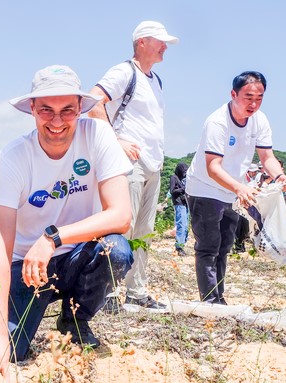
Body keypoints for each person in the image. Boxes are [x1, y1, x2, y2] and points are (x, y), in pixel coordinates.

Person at [0, 64, 134, 379]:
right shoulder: (13, 158)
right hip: (29, 268)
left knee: (115, 250)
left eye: (68, 110)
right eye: (46, 110)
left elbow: (121, 215)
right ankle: (2, 314)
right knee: (4, 351)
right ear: (32, 109)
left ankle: (74, 320)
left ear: (80, 110)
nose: (58, 121)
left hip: (76, 256)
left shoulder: (97, 135)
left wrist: (53, 238)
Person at [88, 20, 178, 310]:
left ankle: (137, 291)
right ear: (142, 42)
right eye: (160, 41)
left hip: (153, 164)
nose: (165, 47)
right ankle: (109, 293)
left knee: (145, 231)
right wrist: (116, 140)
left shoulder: (156, 80)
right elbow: (92, 101)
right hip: (128, 163)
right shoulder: (124, 72)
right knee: (122, 226)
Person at [185, 71, 286, 304]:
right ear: (233, 94)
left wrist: (279, 175)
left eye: (259, 98)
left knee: (225, 245)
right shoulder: (217, 122)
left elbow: (267, 157)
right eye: (248, 97)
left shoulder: (260, 119)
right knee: (208, 246)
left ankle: (219, 297)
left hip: (232, 190)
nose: (253, 104)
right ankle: (211, 301)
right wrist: (239, 188)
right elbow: (213, 167)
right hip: (205, 188)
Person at [233, 164, 261, 252]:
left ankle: (241, 245)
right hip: (238, 205)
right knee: (239, 226)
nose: (255, 173)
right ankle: (237, 246)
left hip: (245, 206)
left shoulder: (251, 179)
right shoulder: (242, 178)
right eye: (254, 171)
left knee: (245, 227)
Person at [170, 162, 189, 256]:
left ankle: (183, 244)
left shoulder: (184, 179)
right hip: (179, 203)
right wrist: (183, 189)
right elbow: (172, 191)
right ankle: (179, 246)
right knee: (181, 224)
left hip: (185, 203)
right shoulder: (174, 177)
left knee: (186, 225)